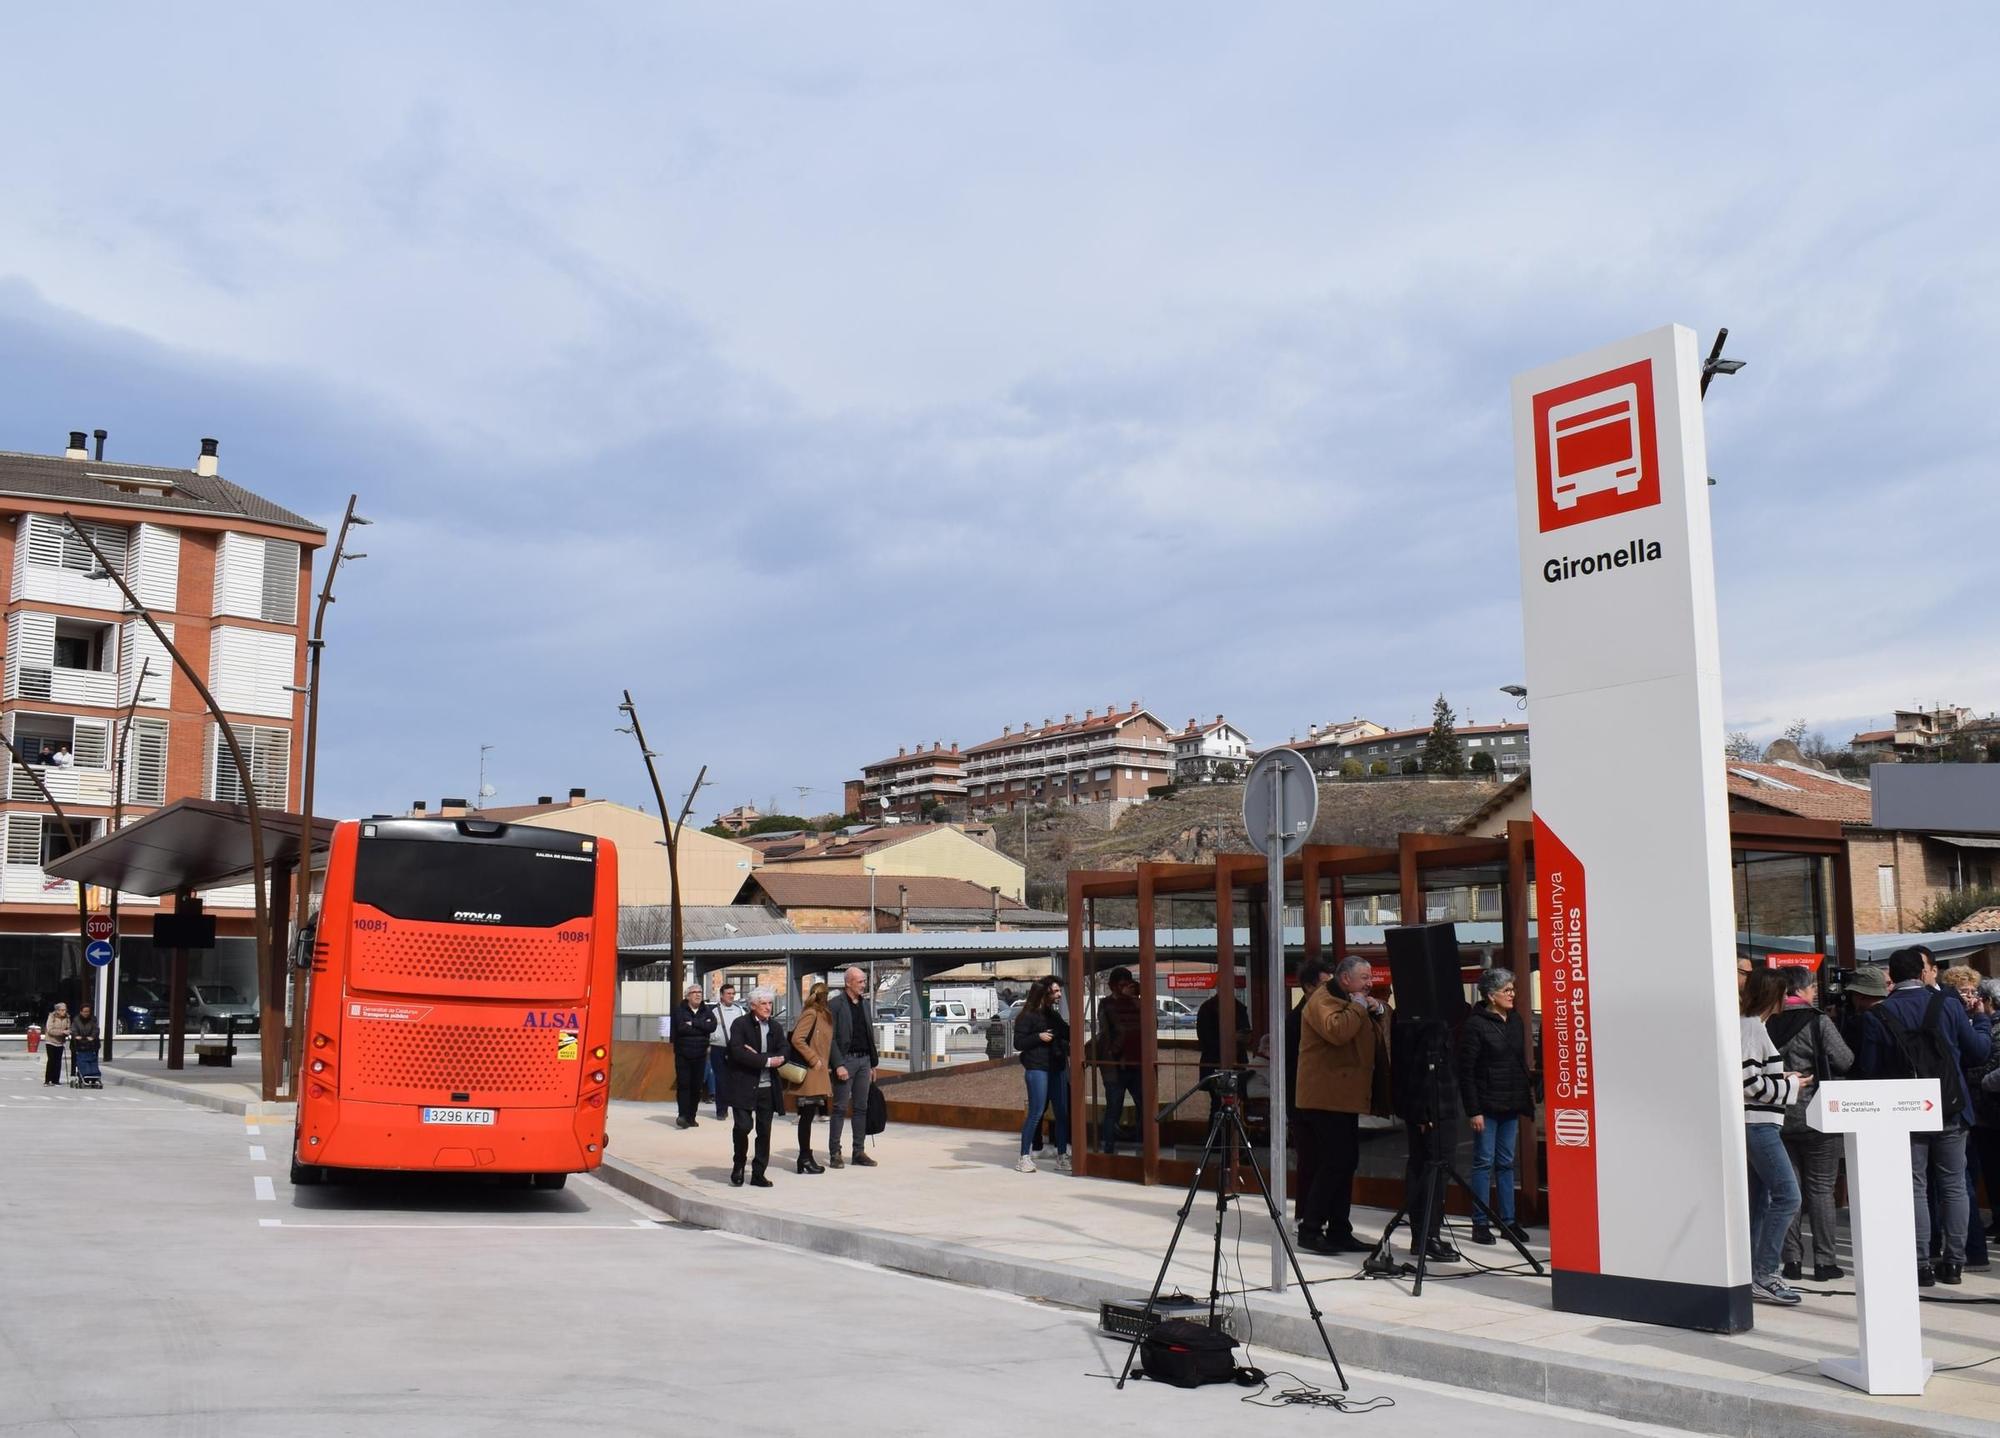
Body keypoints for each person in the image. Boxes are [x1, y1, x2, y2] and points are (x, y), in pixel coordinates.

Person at [1853, 946, 1992, 1286]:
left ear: (1893, 977)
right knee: (1954, 1185)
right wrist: (1984, 1020)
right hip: (1950, 1106)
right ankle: (1955, 1263)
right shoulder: (1948, 1005)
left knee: (1914, 1186)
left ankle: (1920, 1263)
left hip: (1904, 1111)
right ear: (1922, 970)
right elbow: (1978, 1053)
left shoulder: (1878, 1015)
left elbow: (1869, 1071)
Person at [1295, 956, 1390, 1255]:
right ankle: (1310, 1230)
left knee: (1346, 1161)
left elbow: (1373, 1032)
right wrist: (1361, 1006)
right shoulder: (1322, 999)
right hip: (1324, 1098)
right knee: (1334, 1161)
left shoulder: (1351, 999)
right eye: (1364, 977)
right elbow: (1338, 1031)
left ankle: (1339, 1229)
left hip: (1344, 1098)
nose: (1369, 982)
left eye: (1369, 977)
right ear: (1345, 978)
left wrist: (1378, 1009)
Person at [1769, 967, 1853, 1282]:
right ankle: (1824, 1261)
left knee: (1789, 1191)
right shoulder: (1818, 1020)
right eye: (1812, 986)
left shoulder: (1767, 1021)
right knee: (1820, 1189)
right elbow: (1845, 1059)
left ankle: (1790, 1261)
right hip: (1816, 1115)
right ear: (1802, 990)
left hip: (1776, 1114)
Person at [1741, 967, 1806, 1305]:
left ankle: (1755, 1274)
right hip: (1759, 1126)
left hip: (1758, 1124)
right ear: (1775, 995)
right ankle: (1765, 1273)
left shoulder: (1753, 1027)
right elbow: (1749, 1084)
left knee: (1761, 1202)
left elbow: (1751, 1078)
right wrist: (1791, 1085)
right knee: (1788, 1197)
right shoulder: (1752, 1028)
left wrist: (1784, 1080)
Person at [1457, 968, 1533, 1247]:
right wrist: (1473, 1110)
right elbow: (1467, 1071)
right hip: (1487, 1105)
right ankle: (1480, 1222)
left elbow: (1520, 1061)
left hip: (1510, 1102)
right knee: (1483, 1162)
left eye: (1513, 989)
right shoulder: (1475, 1025)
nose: (1512, 994)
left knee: (1505, 1163)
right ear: (1491, 995)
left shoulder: (1516, 1021)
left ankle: (1508, 1221)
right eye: (1507, 990)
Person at [1286, 959, 1332, 1230]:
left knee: (1324, 1158)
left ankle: (1317, 1212)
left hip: (1319, 1098)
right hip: (1302, 1100)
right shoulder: (1299, 1018)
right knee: (1310, 1159)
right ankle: (1304, 1214)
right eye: (1325, 984)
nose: (1330, 990)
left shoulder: (1319, 1012)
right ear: (1308, 987)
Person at [725, 987, 787, 1187]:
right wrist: (767, 1061)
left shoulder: (775, 1027)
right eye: (763, 1004)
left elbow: (785, 1050)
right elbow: (737, 1052)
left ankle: (759, 1172)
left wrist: (760, 1058)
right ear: (753, 1006)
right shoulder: (740, 1025)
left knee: (764, 1130)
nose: (768, 1008)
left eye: (770, 1004)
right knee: (743, 1127)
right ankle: (739, 1165)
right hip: (743, 1084)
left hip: (767, 1087)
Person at [1012, 977, 1071, 1172]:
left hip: (1057, 1067)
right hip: (1037, 1068)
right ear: (1043, 993)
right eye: (1055, 991)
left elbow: (1066, 1032)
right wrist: (1038, 1037)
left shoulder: (1052, 1015)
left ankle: (1062, 1155)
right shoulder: (1027, 1016)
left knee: (1062, 1112)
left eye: (1059, 991)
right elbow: (1018, 1043)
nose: (1059, 995)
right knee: (1036, 1111)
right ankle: (1024, 1157)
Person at [827, 966, 880, 1169]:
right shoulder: (836, 1005)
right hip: (845, 1061)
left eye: (864, 981)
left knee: (861, 1108)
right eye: (859, 981)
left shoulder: (865, 1004)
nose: (863, 985)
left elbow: (869, 1034)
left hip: (864, 1061)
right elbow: (830, 1038)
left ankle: (858, 1151)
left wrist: (873, 1064)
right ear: (848, 982)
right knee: (840, 1108)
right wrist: (838, 1064)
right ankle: (835, 1152)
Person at [1095, 967, 1143, 1155]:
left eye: (1128, 985)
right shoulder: (1107, 1004)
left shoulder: (1136, 1003)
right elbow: (1112, 1030)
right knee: (1114, 1106)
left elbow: (1149, 1025)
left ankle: (1141, 1143)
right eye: (1121, 985)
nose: (1125, 988)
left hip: (1137, 1062)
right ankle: (1108, 1146)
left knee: (1143, 1104)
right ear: (1113, 986)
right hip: (1114, 1064)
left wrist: (1137, 1000)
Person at [788, 982, 834, 1174]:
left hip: (819, 1071)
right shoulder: (811, 1013)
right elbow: (797, 1038)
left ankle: (805, 1158)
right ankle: (805, 1158)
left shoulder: (822, 1014)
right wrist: (814, 1059)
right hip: (810, 1072)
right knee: (806, 1117)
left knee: (808, 1117)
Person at [668, 983, 716, 1129]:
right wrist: (701, 1026)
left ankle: (691, 1116)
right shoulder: (679, 1010)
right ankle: (682, 1115)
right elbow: (681, 1028)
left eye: (700, 992)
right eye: (694, 992)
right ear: (687, 996)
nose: (698, 994)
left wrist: (693, 1023)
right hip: (683, 1053)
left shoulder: (707, 1010)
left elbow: (712, 1026)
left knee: (696, 1087)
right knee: (684, 1085)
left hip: (701, 1054)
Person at [1196, 987, 1253, 1110]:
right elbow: (1206, 1040)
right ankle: (1223, 1128)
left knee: (1223, 1106)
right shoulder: (1208, 1009)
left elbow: (1247, 1035)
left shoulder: (1238, 1007)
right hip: (1216, 1064)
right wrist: (1233, 1037)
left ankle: (1226, 1128)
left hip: (1229, 1063)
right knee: (1218, 1105)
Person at [708, 983, 746, 1120]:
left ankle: (736, 1106)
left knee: (735, 1079)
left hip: (735, 1049)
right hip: (718, 1048)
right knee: (721, 1079)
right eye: (728, 993)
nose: (731, 996)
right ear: (722, 995)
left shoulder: (740, 1010)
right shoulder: (713, 1011)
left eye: (733, 993)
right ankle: (721, 1110)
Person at [69, 1004, 101, 1085]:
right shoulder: (76, 1020)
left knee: (92, 1060)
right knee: (80, 1060)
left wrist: (92, 1037)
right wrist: (76, 1036)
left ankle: (93, 1075)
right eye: (85, 1011)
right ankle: (81, 1075)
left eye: (88, 1011)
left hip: (91, 1044)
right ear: (81, 1012)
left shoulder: (93, 1020)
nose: (86, 1013)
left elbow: (96, 1029)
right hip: (79, 1044)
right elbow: (73, 1029)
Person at [41, 1001, 70, 1086]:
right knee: (51, 1060)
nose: (63, 1012)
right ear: (57, 1010)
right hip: (51, 1041)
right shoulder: (51, 1017)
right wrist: (62, 1032)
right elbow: (50, 1030)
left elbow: (69, 1027)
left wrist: (68, 1032)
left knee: (58, 1061)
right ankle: (47, 1080)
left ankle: (55, 1080)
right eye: (61, 1010)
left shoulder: (67, 1017)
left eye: (65, 1010)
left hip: (60, 1042)